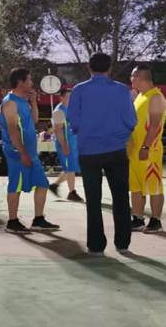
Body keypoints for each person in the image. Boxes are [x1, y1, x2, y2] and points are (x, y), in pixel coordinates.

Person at [68, 53, 137, 256]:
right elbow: (131, 120)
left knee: (93, 200)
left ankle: (96, 246)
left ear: (89, 68)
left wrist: (84, 132)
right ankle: (123, 243)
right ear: (110, 68)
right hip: (116, 150)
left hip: (89, 152)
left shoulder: (79, 90)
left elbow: (73, 121)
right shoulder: (122, 90)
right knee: (121, 198)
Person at [0, 68, 60, 234]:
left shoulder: (23, 101)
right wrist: (23, 154)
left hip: (30, 153)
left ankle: (38, 220)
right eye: (30, 79)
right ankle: (12, 222)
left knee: (42, 184)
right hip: (17, 153)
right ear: (21, 82)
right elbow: (12, 131)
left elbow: (34, 120)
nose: (32, 83)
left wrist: (33, 102)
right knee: (16, 185)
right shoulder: (10, 102)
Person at [128, 65, 166, 233]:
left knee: (154, 186)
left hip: (150, 150)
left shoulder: (155, 97)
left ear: (140, 77)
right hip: (135, 150)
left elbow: (155, 125)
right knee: (136, 187)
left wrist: (146, 146)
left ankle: (156, 220)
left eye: (133, 76)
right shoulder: (139, 97)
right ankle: (137, 219)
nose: (131, 80)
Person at [49, 88, 83, 202]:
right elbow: (57, 130)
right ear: (61, 97)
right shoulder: (59, 111)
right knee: (70, 168)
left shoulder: (71, 109)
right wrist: (64, 145)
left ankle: (55, 185)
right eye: (68, 97)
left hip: (73, 142)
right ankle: (72, 192)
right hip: (65, 143)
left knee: (71, 168)